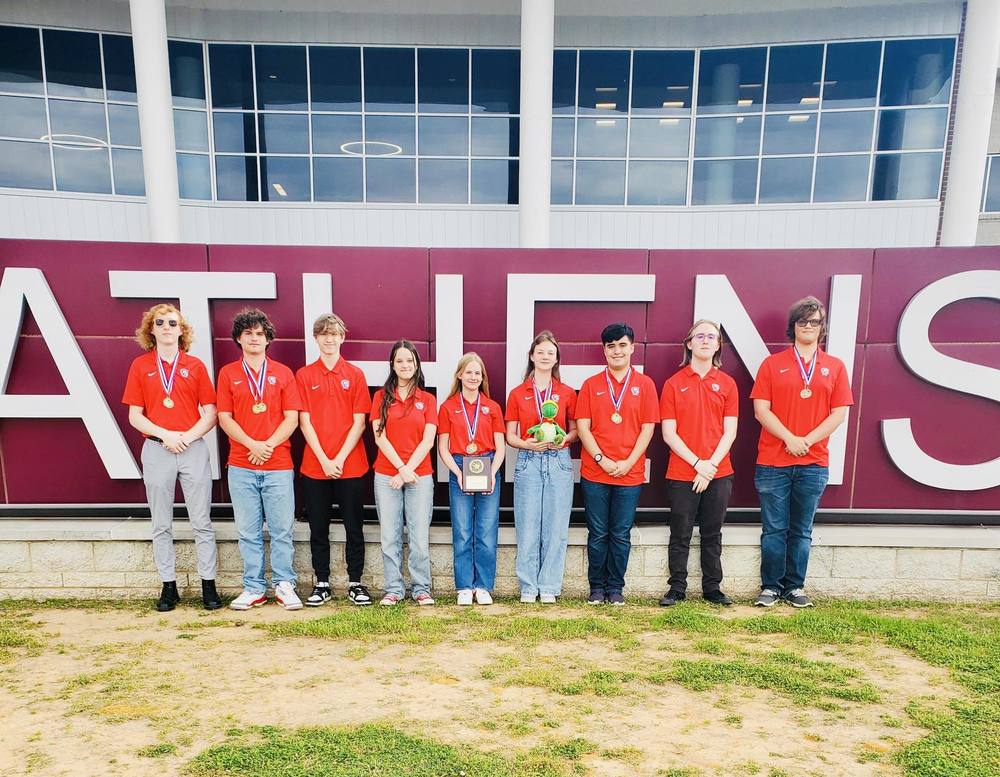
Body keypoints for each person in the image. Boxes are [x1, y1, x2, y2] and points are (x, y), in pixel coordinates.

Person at [751, 296, 853, 608]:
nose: (808, 327)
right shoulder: (772, 364)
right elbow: (761, 410)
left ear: (823, 329)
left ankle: (795, 587)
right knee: (774, 529)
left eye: (814, 322)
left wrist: (806, 440)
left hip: (814, 462)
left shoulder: (834, 367)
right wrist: (790, 439)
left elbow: (839, 413)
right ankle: (770, 587)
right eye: (802, 321)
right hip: (773, 461)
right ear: (793, 326)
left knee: (801, 530)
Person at [122, 304, 221, 611]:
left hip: (191, 448)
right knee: (161, 522)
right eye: (160, 322)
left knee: (201, 521)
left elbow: (211, 412)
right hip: (157, 448)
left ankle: (209, 585)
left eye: (172, 323)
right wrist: (166, 435)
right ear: (151, 329)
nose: (166, 327)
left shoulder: (195, 366)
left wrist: (186, 437)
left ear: (182, 330)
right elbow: (135, 416)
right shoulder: (140, 366)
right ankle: (169, 587)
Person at [217, 308, 304, 611]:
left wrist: (266, 445)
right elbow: (224, 418)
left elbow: (291, 418)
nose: (254, 338)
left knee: (282, 529)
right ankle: (254, 587)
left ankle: (284, 584)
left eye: (260, 334)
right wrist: (252, 444)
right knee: (248, 531)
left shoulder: (283, 373)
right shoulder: (228, 373)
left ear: (268, 339)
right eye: (248, 334)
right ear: (239, 339)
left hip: (278, 464)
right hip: (241, 464)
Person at [576, 323, 659, 605]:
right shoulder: (591, 385)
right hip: (595, 472)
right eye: (611, 346)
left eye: (622, 345)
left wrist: (627, 461)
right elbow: (583, 428)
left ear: (632, 348)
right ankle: (596, 588)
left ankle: (616, 589)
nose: (617, 351)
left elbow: (648, 429)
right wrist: (601, 458)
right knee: (598, 533)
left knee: (620, 533)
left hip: (629, 472)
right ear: (604, 350)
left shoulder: (645, 385)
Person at [658, 319, 738, 607]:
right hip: (682, 471)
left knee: (712, 533)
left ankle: (712, 588)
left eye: (712, 337)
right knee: (680, 532)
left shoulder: (727, 384)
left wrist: (710, 466)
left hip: (719, 471)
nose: (705, 340)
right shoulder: (673, 384)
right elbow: (669, 433)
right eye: (699, 336)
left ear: (717, 345)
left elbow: (730, 431)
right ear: (689, 343)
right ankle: (676, 588)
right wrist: (697, 464)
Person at [296, 314, 373, 607]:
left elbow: (359, 423)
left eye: (335, 334)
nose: (329, 339)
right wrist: (325, 459)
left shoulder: (354, 375)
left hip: (350, 466)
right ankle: (322, 582)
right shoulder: (304, 375)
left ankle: (356, 582)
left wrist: (338, 458)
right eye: (324, 334)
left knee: (354, 525)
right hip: (315, 467)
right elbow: (305, 423)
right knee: (319, 527)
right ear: (315, 338)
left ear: (343, 337)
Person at [505, 331, 577, 604]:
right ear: (532, 356)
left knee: (556, 527)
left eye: (551, 353)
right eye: (541, 352)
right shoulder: (517, 393)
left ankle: (548, 585)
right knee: (528, 526)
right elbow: (510, 435)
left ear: (556, 358)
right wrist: (527, 444)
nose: (545, 356)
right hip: (528, 462)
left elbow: (574, 431)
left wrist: (562, 441)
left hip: (558, 462)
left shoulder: (566, 392)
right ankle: (528, 586)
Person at [370, 340, 438, 606]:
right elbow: (379, 437)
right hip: (387, 475)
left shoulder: (428, 399)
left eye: (409, 361)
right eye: (399, 361)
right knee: (390, 534)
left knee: (419, 535)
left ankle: (421, 588)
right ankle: (394, 589)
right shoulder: (380, 397)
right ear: (392, 365)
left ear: (417, 364)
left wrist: (408, 470)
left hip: (419, 476)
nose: (405, 365)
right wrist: (400, 468)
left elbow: (428, 440)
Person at [438, 353, 506, 606]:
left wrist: (490, 473)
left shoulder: (492, 407)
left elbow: (500, 447)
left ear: (482, 377)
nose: (473, 377)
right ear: (459, 375)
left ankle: (484, 585)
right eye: (469, 372)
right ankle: (465, 586)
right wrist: (458, 474)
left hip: (488, 466)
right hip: (459, 468)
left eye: (478, 373)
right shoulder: (447, 407)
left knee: (487, 531)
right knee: (463, 530)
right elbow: (443, 447)